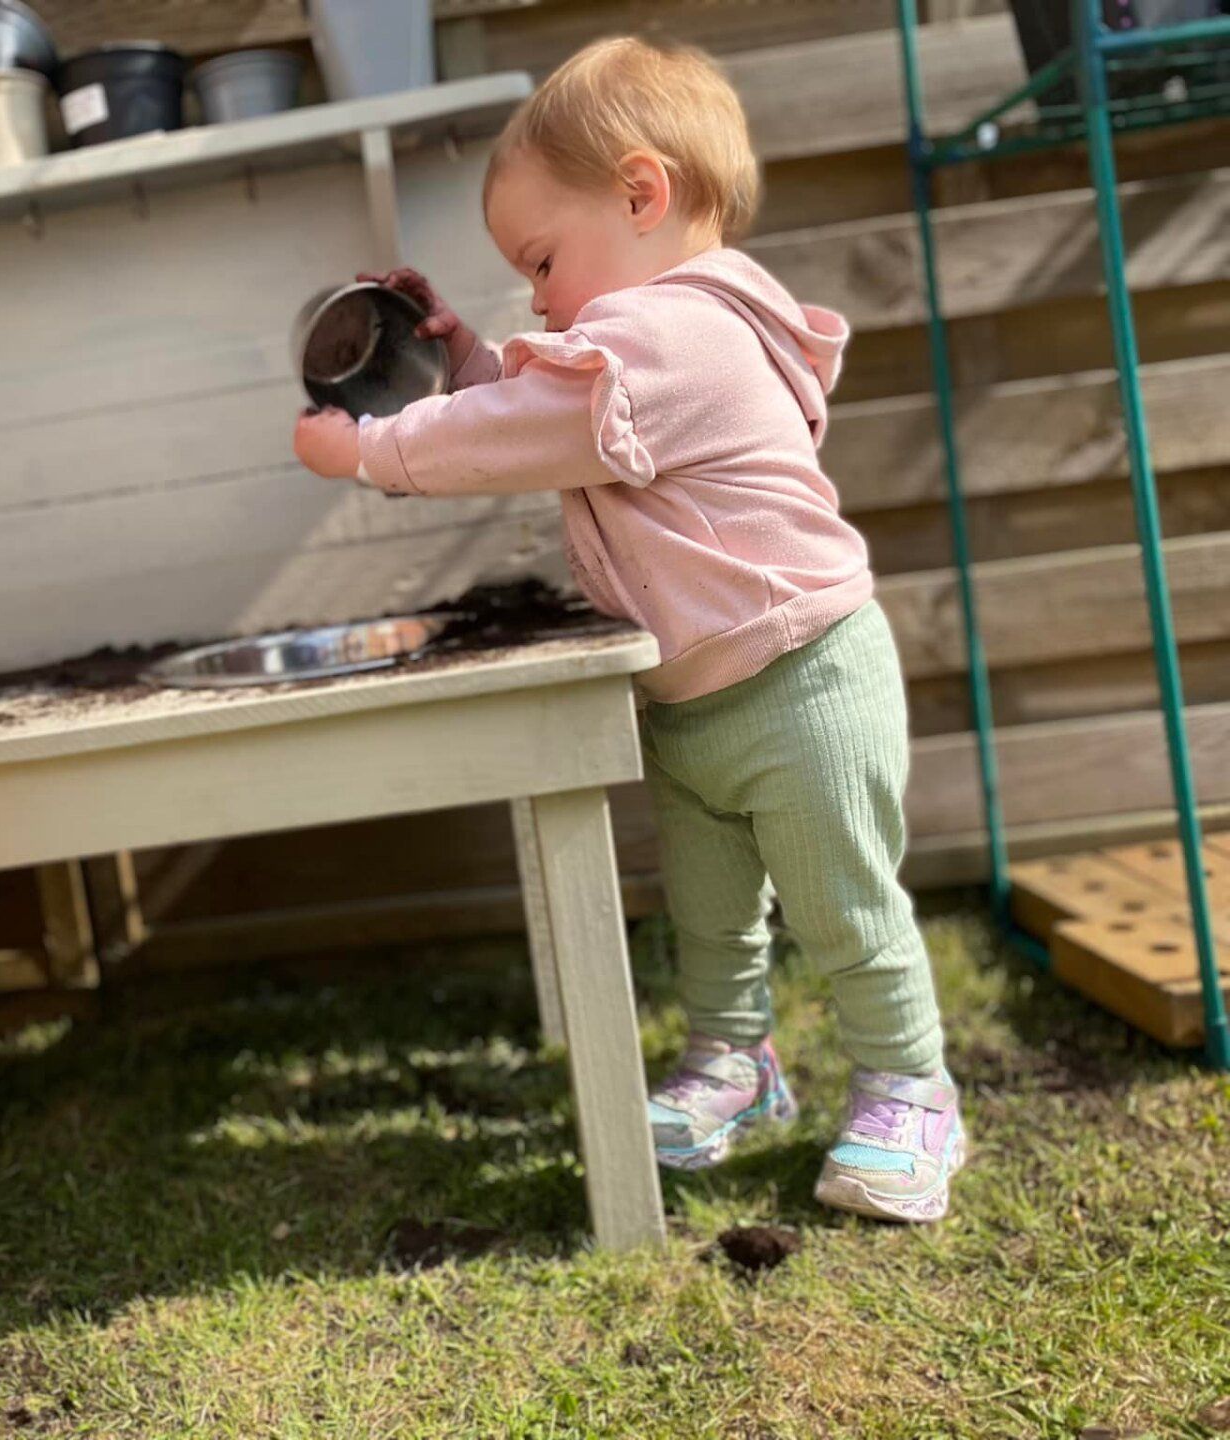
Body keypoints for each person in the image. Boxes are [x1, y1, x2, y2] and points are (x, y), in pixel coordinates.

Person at [292, 37, 963, 1223]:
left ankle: (912, 1088)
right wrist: (465, 360)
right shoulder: (636, 353)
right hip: (701, 699)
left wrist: (376, 452)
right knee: (710, 920)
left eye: (542, 262)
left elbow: (549, 422)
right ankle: (736, 1068)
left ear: (643, 195)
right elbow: (559, 409)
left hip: (802, 680)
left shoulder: (684, 330)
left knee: (844, 909)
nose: (537, 296)